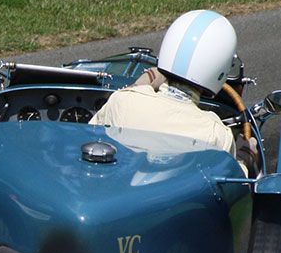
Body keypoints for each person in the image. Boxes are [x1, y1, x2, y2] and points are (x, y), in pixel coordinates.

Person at [92, 10, 257, 174]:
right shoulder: (216, 133)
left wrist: (145, 81)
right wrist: (245, 157)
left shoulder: (122, 101)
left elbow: (88, 140)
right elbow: (229, 185)